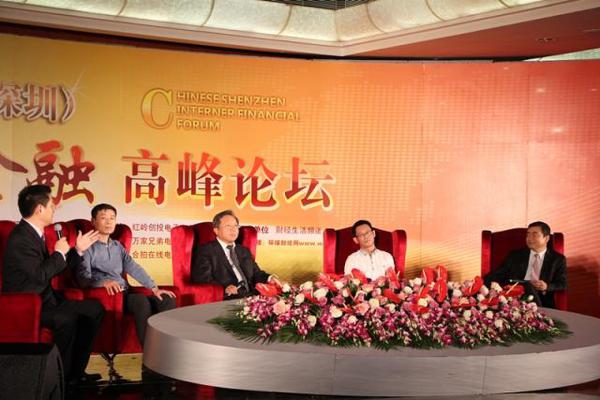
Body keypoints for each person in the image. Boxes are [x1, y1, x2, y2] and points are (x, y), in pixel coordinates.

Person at [2, 184, 105, 385]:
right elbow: (41, 275)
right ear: (39, 209)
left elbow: (54, 268)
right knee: (66, 318)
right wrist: (58, 253)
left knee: (94, 309)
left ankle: (76, 372)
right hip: (27, 305)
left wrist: (78, 250)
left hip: (46, 299)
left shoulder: (35, 234)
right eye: (51, 205)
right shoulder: (20, 238)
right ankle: (59, 378)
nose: (55, 208)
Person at [75, 203, 176, 347]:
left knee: (166, 299)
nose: (109, 222)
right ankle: (150, 352)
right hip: (109, 296)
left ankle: (168, 349)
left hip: (126, 292)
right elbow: (83, 279)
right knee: (141, 301)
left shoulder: (118, 246)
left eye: (112, 218)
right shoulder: (86, 248)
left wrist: (154, 288)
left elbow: (134, 268)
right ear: (93, 221)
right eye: (103, 218)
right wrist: (103, 283)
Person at [483, 221, 567, 308]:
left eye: (534, 235)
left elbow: (562, 284)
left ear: (546, 238)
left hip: (541, 299)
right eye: (528, 235)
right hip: (515, 297)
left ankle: (537, 311)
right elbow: (498, 274)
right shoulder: (515, 255)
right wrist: (479, 283)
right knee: (526, 284)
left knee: (528, 285)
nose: (529, 238)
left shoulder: (557, 259)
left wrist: (546, 286)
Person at [191, 210, 270, 299]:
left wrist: (270, 278)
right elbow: (202, 278)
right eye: (228, 226)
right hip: (228, 298)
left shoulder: (243, 250)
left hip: (252, 296)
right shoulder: (206, 250)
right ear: (216, 230)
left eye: (235, 226)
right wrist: (224, 288)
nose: (233, 229)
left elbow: (256, 273)